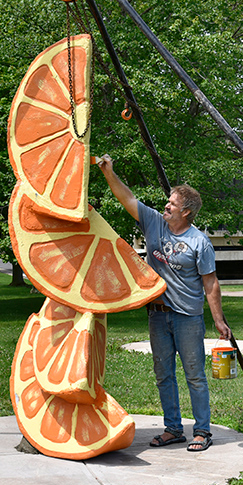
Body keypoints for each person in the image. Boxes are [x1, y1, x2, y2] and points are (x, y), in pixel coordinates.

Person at [98, 154, 231, 452]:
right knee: (164, 374)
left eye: (172, 203)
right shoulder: (154, 224)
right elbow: (127, 198)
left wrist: (219, 320)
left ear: (185, 211)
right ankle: (173, 428)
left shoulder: (199, 242)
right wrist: (109, 172)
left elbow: (210, 284)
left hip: (188, 317)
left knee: (194, 374)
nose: (166, 206)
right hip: (157, 315)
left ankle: (201, 430)